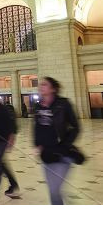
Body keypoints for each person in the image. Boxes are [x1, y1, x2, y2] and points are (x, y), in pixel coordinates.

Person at [34, 77, 83, 205]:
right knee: (53, 191)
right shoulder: (38, 106)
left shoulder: (63, 104)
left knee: (54, 189)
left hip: (62, 154)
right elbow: (36, 127)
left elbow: (76, 127)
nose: (41, 86)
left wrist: (65, 145)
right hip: (46, 155)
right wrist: (37, 144)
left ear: (53, 89)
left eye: (44, 84)